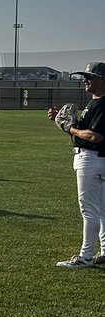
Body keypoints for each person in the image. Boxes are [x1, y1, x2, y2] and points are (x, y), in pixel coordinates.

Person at [47, 61, 105, 269]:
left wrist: (70, 128)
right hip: (96, 159)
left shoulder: (102, 104)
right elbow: (85, 130)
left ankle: (86, 256)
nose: (86, 81)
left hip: (91, 158)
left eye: (90, 77)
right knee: (101, 209)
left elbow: (94, 136)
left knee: (89, 210)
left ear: (102, 79)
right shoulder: (95, 102)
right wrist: (62, 122)